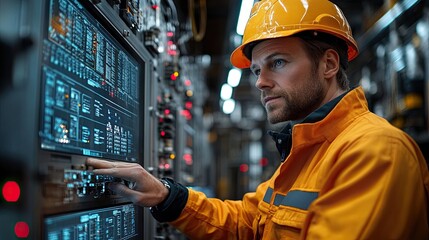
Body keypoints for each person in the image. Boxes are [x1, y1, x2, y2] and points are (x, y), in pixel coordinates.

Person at [86, 0, 429, 238]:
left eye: (278, 62)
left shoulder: (376, 152)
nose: (261, 82)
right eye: (256, 70)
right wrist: (166, 196)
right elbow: (247, 224)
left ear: (328, 65)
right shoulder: (306, 152)